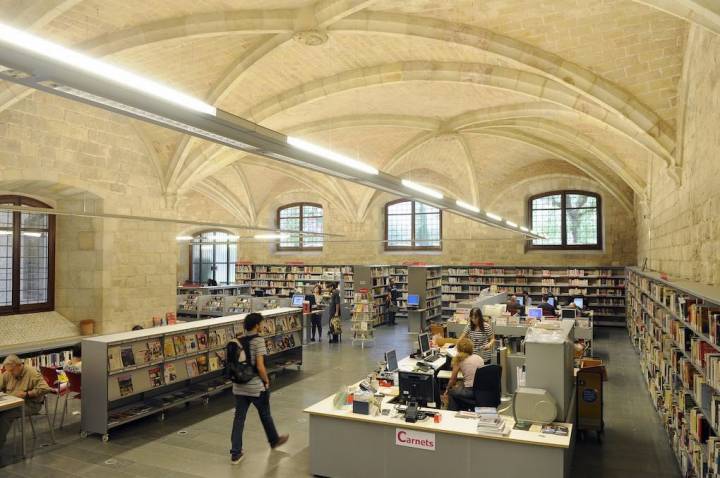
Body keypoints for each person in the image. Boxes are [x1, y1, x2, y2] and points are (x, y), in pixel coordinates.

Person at [229, 313, 288, 464]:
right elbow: (260, 366)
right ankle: (274, 440)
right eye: (261, 324)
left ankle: (235, 453)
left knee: (239, 419)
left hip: (238, 387)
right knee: (265, 414)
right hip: (255, 387)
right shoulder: (258, 341)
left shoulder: (237, 340)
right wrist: (266, 381)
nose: (262, 326)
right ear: (256, 325)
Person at [0, 355, 52, 450]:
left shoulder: (31, 372)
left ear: (19, 366)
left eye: (12, 370)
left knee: (5, 415)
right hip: (12, 402)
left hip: (30, 404)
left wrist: (27, 394)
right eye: (8, 371)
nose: (10, 373)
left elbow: (46, 388)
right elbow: (1, 386)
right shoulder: (8, 373)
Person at [443, 338, 484, 411]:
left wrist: (447, 389)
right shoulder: (479, 358)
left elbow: (452, 380)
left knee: (451, 392)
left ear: (458, 349)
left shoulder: (459, 360)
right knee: (460, 385)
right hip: (482, 390)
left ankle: (452, 414)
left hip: (470, 392)